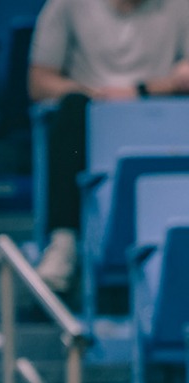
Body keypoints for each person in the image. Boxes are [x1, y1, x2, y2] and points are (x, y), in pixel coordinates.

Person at [28, 0, 189, 292]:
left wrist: (141, 91)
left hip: (158, 115)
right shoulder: (65, 6)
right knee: (73, 109)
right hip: (90, 117)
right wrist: (98, 96)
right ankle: (64, 243)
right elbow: (39, 82)